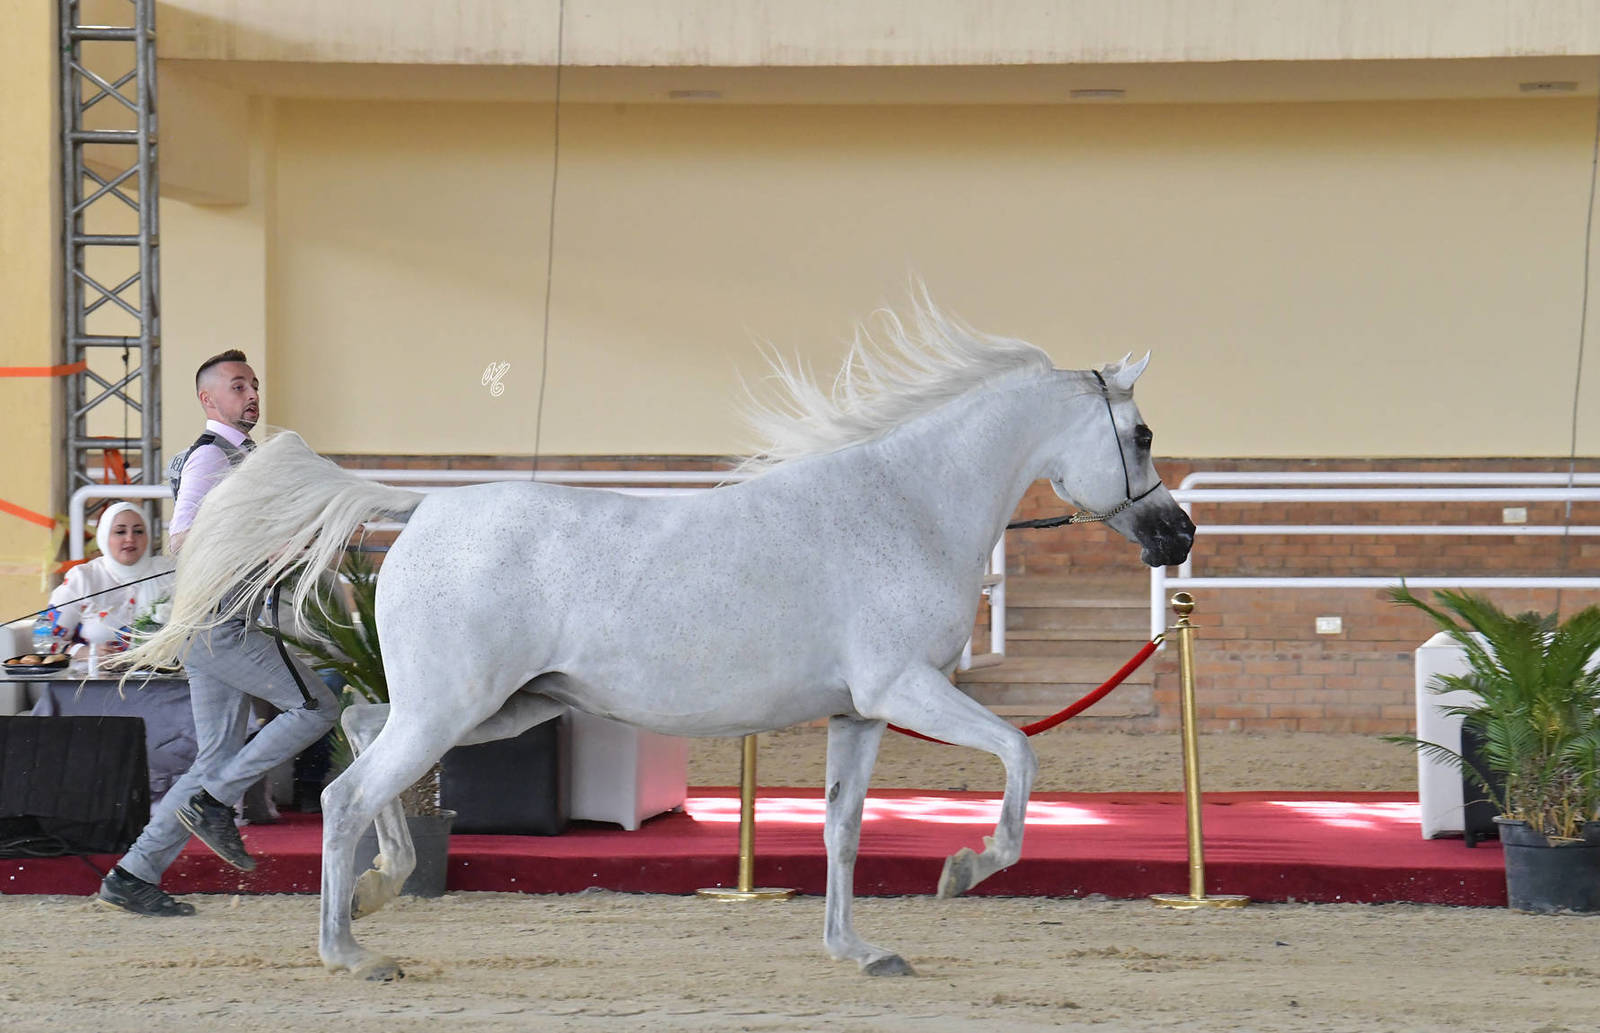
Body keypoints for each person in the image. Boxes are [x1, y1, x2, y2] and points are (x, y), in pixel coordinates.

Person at [97, 350, 337, 918]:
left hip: (209, 626)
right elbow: (183, 541)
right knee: (316, 708)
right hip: (222, 625)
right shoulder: (212, 458)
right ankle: (215, 803)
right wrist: (272, 549)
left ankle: (134, 873)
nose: (251, 394)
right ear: (209, 400)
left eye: (253, 384)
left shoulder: (241, 456)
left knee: (214, 761)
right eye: (237, 386)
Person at [46, 502, 174, 655]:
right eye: (120, 532)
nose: (130, 539)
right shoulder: (84, 578)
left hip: (162, 674)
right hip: (93, 675)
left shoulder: (169, 572)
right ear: (104, 536)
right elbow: (47, 642)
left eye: (138, 531)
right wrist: (86, 653)